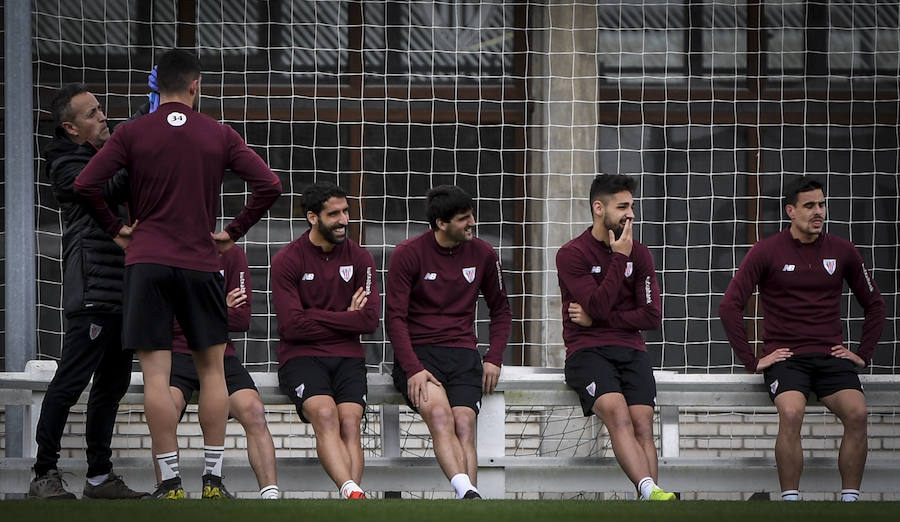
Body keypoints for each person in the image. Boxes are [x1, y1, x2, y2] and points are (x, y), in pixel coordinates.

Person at [74, 48, 282, 499]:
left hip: (146, 262)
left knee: (156, 377)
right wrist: (232, 231)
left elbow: (84, 185)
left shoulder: (131, 133)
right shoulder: (219, 133)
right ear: (195, 85)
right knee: (212, 372)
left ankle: (168, 484)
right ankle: (211, 480)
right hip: (200, 261)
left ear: (157, 87)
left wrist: (116, 230)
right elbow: (270, 185)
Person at [719, 176, 885, 502]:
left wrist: (863, 353)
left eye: (821, 204)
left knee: (858, 414)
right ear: (790, 211)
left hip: (830, 356)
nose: (818, 211)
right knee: (792, 414)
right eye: (809, 205)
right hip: (787, 358)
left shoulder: (843, 251)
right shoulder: (766, 251)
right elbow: (729, 306)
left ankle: (850, 500)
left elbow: (875, 304)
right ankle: (790, 501)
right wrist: (752, 360)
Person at [27, 84, 148, 499]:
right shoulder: (66, 162)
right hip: (92, 289)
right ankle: (44, 472)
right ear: (71, 128)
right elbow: (108, 185)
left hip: (124, 290)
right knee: (71, 381)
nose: (103, 118)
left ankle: (99, 476)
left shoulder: (102, 155)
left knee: (111, 386)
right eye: (93, 114)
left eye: (101, 110)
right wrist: (138, 134)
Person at [385, 185, 512, 500]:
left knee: (464, 423)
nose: (472, 223)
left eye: (471, 216)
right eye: (463, 219)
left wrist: (494, 357)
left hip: (464, 356)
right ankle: (467, 492)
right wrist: (413, 368)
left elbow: (502, 311)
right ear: (441, 223)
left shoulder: (484, 254)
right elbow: (395, 318)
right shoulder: (408, 253)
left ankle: (465, 497)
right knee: (440, 417)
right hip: (419, 358)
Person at [555, 174, 676, 501]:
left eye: (632, 206)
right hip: (587, 352)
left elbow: (651, 316)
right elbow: (595, 302)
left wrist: (598, 319)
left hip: (632, 350)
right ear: (599, 208)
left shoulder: (642, 254)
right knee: (618, 414)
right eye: (623, 207)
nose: (631, 214)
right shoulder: (572, 254)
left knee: (642, 423)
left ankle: (649, 499)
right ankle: (650, 491)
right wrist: (619, 257)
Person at [272, 182, 379, 500]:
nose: (344, 219)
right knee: (325, 414)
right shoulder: (287, 259)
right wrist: (346, 319)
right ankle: (352, 491)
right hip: (301, 357)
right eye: (334, 213)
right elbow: (292, 327)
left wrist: (315, 316)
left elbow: (369, 321)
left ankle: (351, 497)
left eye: (346, 211)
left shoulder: (361, 259)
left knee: (350, 421)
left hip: (348, 356)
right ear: (312, 217)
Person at [153, 244, 279, 499]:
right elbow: (159, 320)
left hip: (220, 352)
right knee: (166, 410)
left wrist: (194, 315)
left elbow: (242, 319)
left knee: (254, 410)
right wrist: (220, 309)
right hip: (177, 353)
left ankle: (269, 495)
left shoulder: (231, 253)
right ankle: (168, 489)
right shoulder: (163, 250)